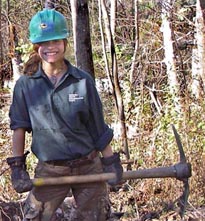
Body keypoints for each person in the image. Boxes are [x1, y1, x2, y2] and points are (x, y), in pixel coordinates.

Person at [7, 8, 123, 221]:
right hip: (51, 170)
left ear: (65, 42)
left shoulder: (82, 81)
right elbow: (19, 127)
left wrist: (110, 161)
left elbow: (98, 127)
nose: (50, 47)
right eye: (44, 43)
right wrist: (17, 166)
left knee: (97, 217)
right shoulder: (25, 86)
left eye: (55, 41)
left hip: (88, 167)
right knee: (34, 217)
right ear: (36, 46)